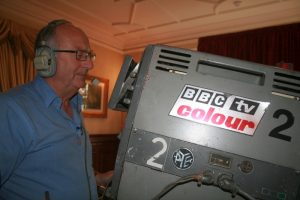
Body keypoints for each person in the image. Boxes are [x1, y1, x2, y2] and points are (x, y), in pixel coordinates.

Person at [0, 19, 113, 200]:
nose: (90, 65)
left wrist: (98, 178)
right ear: (46, 59)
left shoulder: (75, 104)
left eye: (89, 55)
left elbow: (59, 171)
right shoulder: (10, 110)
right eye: (79, 54)